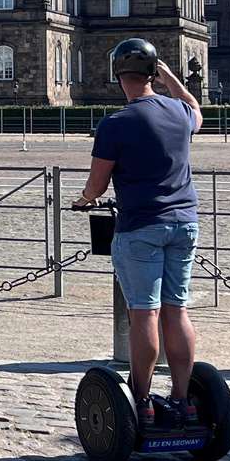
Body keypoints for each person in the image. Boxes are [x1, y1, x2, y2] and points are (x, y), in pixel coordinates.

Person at [73, 38, 203, 429]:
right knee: (176, 310)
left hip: (141, 226)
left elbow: (97, 184)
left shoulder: (115, 124)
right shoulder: (179, 112)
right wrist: (170, 78)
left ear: (118, 75)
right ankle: (181, 399)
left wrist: (84, 200)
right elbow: (196, 109)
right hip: (185, 223)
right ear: (152, 73)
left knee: (144, 313)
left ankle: (142, 400)